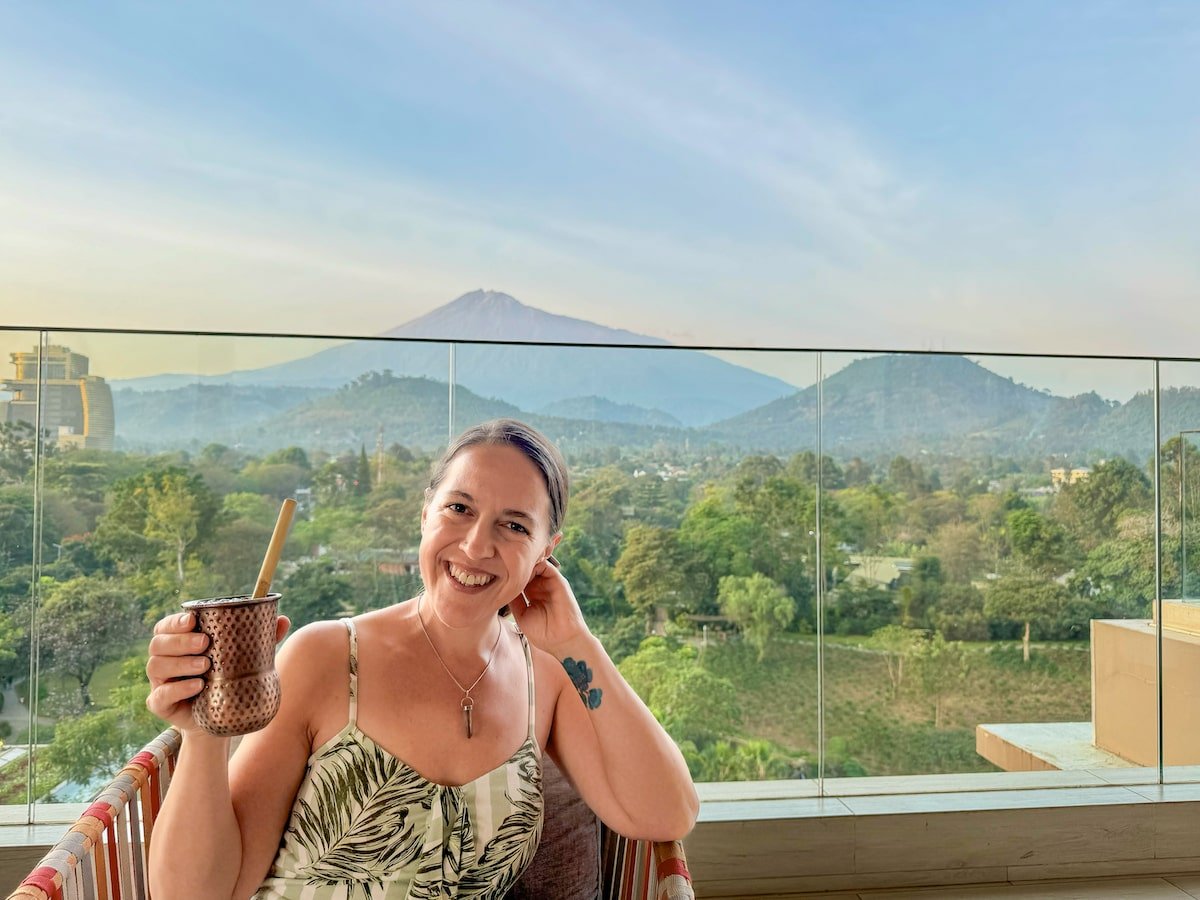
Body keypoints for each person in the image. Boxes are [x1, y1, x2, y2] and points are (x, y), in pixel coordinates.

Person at [146, 418, 698, 899]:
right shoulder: (325, 657)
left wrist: (578, 643)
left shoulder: (547, 677)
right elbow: (200, 893)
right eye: (459, 509)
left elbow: (666, 813)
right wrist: (204, 737)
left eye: (514, 526)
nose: (477, 545)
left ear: (546, 552)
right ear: (425, 514)